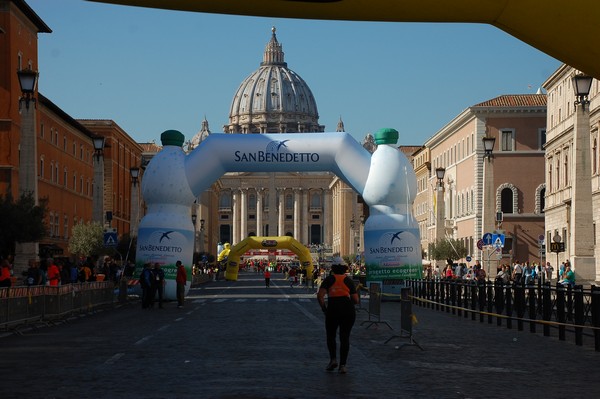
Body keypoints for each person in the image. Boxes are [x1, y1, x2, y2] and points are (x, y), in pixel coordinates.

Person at [317, 257, 359, 374]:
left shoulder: (329, 279)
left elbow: (320, 295)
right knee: (345, 337)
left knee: (331, 336)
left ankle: (333, 359)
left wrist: (324, 308)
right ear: (345, 268)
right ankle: (343, 365)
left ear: (333, 268)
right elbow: (355, 299)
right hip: (348, 311)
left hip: (333, 310)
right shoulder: (349, 281)